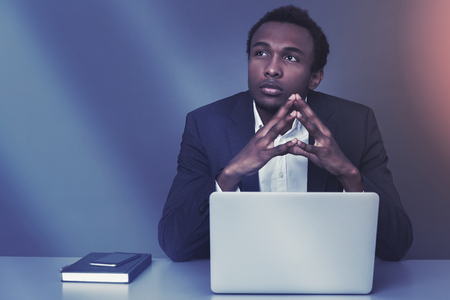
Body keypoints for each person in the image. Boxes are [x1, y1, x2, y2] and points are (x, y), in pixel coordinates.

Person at [158, 5, 413, 262]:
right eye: (261, 53)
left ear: (315, 78)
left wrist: (348, 174)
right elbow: (175, 245)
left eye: (290, 58)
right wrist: (230, 174)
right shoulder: (205, 125)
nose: (271, 69)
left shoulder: (356, 124)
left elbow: (396, 246)